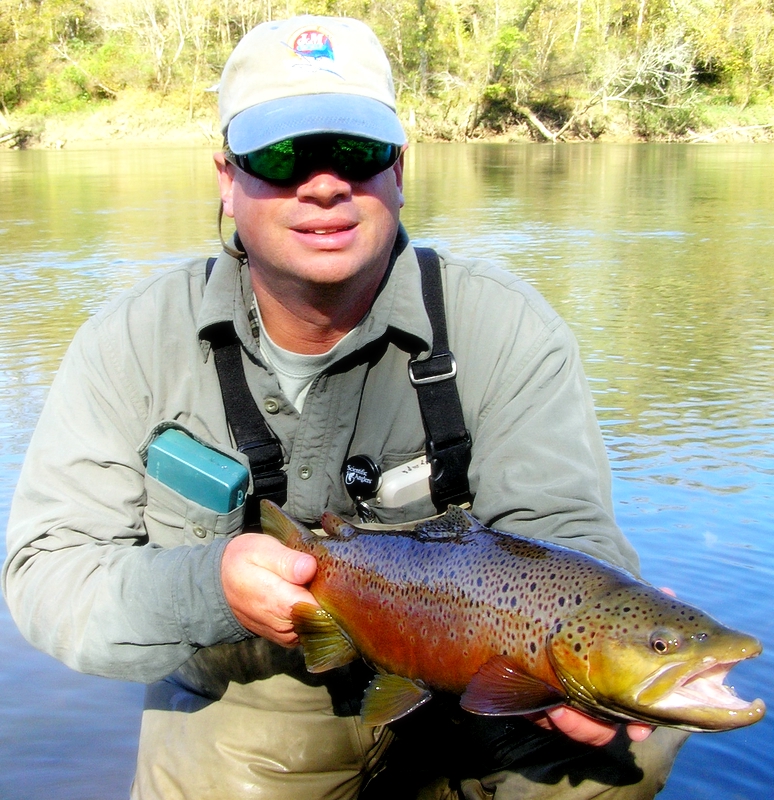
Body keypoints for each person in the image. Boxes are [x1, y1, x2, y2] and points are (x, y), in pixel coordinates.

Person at [2, 14, 687, 800]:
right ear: (227, 176)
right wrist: (211, 587)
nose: (324, 183)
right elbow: (50, 578)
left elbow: (564, 533)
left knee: (632, 747)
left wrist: (604, 629)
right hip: (261, 691)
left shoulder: (508, 329)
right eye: (283, 154)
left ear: (399, 169)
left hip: (488, 676)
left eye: (356, 152)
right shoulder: (127, 345)